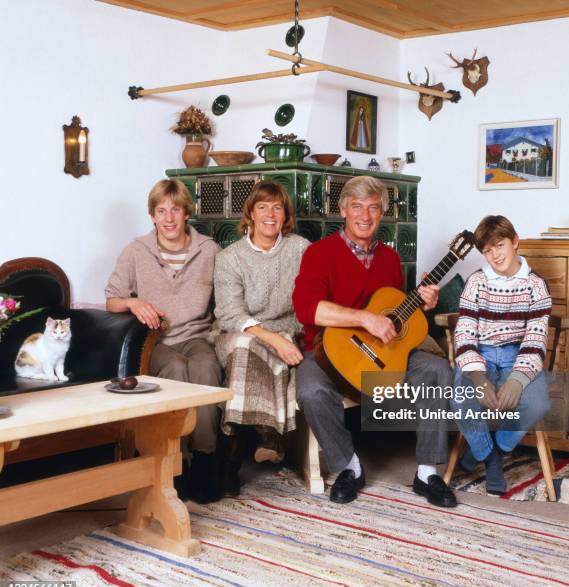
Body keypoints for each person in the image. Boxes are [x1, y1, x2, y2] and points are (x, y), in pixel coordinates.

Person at [292, 175, 457, 507]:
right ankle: (349, 467)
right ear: (343, 211)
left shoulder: (390, 259)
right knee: (310, 390)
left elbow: (393, 315)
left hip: (381, 354)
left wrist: (421, 305)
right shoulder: (319, 254)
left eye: (373, 208)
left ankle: (427, 472)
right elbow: (307, 308)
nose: (364, 216)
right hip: (326, 354)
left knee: (437, 369)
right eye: (357, 207)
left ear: (382, 214)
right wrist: (364, 318)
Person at [105, 178, 224, 503]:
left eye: (176, 209)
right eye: (162, 211)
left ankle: (204, 459)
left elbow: (227, 296)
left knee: (204, 367)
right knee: (173, 368)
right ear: (153, 216)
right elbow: (112, 299)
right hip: (157, 340)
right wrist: (133, 303)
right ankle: (176, 463)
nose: (169, 218)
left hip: (197, 336)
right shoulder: (135, 251)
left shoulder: (209, 249)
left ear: (187, 213)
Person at [212, 181, 309, 494]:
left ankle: (231, 456)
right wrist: (272, 339)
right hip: (238, 330)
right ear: (250, 214)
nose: (270, 214)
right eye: (263, 207)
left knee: (255, 349)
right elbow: (229, 314)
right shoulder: (230, 257)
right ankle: (267, 434)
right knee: (246, 345)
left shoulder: (301, 249)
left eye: (277, 207)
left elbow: (310, 303)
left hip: (288, 329)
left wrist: (281, 337)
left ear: (285, 215)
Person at [450, 215, 552, 495]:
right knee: (460, 399)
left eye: (500, 245)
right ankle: (492, 459)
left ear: (515, 241)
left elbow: (535, 339)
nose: (495, 255)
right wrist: (478, 376)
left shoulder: (536, 286)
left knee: (537, 403)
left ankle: (495, 446)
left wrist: (517, 380)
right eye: (487, 250)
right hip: (479, 353)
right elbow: (465, 334)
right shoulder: (477, 282)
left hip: (518, 355)